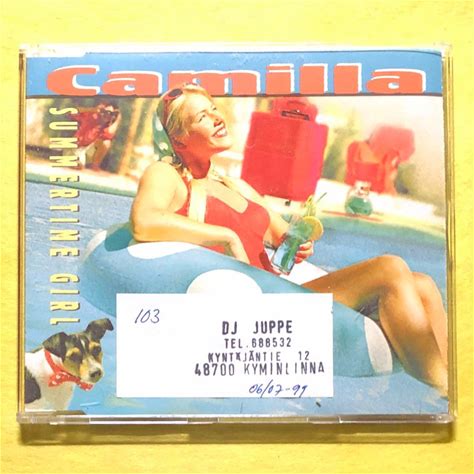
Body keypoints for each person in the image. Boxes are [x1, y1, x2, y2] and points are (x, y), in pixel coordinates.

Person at [130, 84, 448, 395]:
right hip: (261, 305)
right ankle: (443, 389)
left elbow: (284, 234)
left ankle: (454, 382)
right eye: (202, 117)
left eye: (214, 109)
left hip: (276, 287)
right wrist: (226, 236)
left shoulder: (234, 185)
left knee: (422, 284)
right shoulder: (167, 174)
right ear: (179, 138)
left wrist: (300, 239)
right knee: (390, 267)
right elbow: (144, 222)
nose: (217, 118)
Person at [69, 103, 121, 170]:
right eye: (106, 112)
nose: (107, 115)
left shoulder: (106, 126)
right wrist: (92, 110)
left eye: (111, 114)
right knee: (77, 165)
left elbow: (109, 135)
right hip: (76, 146)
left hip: (86, 149)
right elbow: (72, 112)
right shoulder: (91, 116)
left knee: (106, 142)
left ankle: (94, 165)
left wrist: (117, 120)